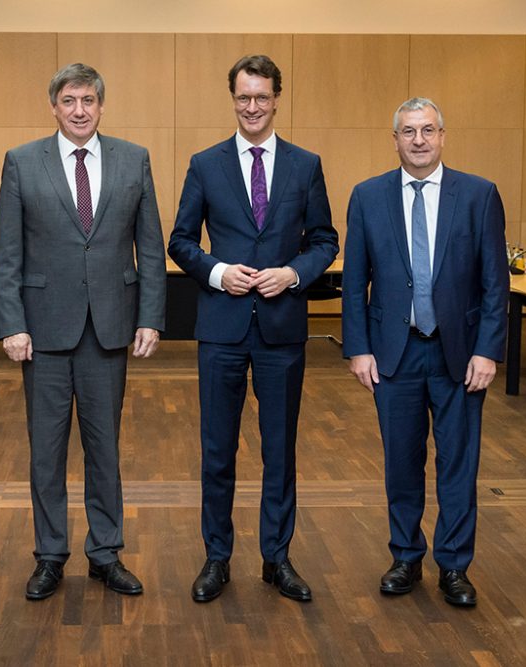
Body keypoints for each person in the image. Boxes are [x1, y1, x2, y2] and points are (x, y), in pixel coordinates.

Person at [0, 63, 166, 600]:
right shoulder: (22, 162)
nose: (79, 110)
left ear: (101, 105)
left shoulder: (134, 159)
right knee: (46, 451)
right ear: (54, 106)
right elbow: (7, 253)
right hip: (42, 333)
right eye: (69, 101)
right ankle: (49, 555)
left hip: (109, 329)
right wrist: (12, 324)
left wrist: (150, 317)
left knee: (104, 449)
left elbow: (151, 248)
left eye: (88, 100)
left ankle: (106, 552)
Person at [168, 55, 338, 603]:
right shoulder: (205, 163)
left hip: (283, 329)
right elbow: (181, 240)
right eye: (243, 97)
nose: (253, 107)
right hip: (222, 328)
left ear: (277, 99)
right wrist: (218, 271)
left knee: (280, 451)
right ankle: (217, 558)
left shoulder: (305, 164)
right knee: (218, 451)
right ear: (232, 99)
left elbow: (325, 241)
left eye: (262, 97)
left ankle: (277, 558)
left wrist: (293, 273)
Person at [341, 97, 509, 607]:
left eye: (428, 130)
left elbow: (494, 282)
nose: (419, 140)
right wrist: (358, 349)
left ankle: (454, 566)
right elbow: (354, 283)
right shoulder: (367, 196)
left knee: (458, 462)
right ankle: (406, 557)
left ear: (443, 136)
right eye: (409, 131)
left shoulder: (479, 195)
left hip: (459, 354)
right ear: (394, 139)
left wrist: (488, 350)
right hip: (394, 353)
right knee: (402, 462)